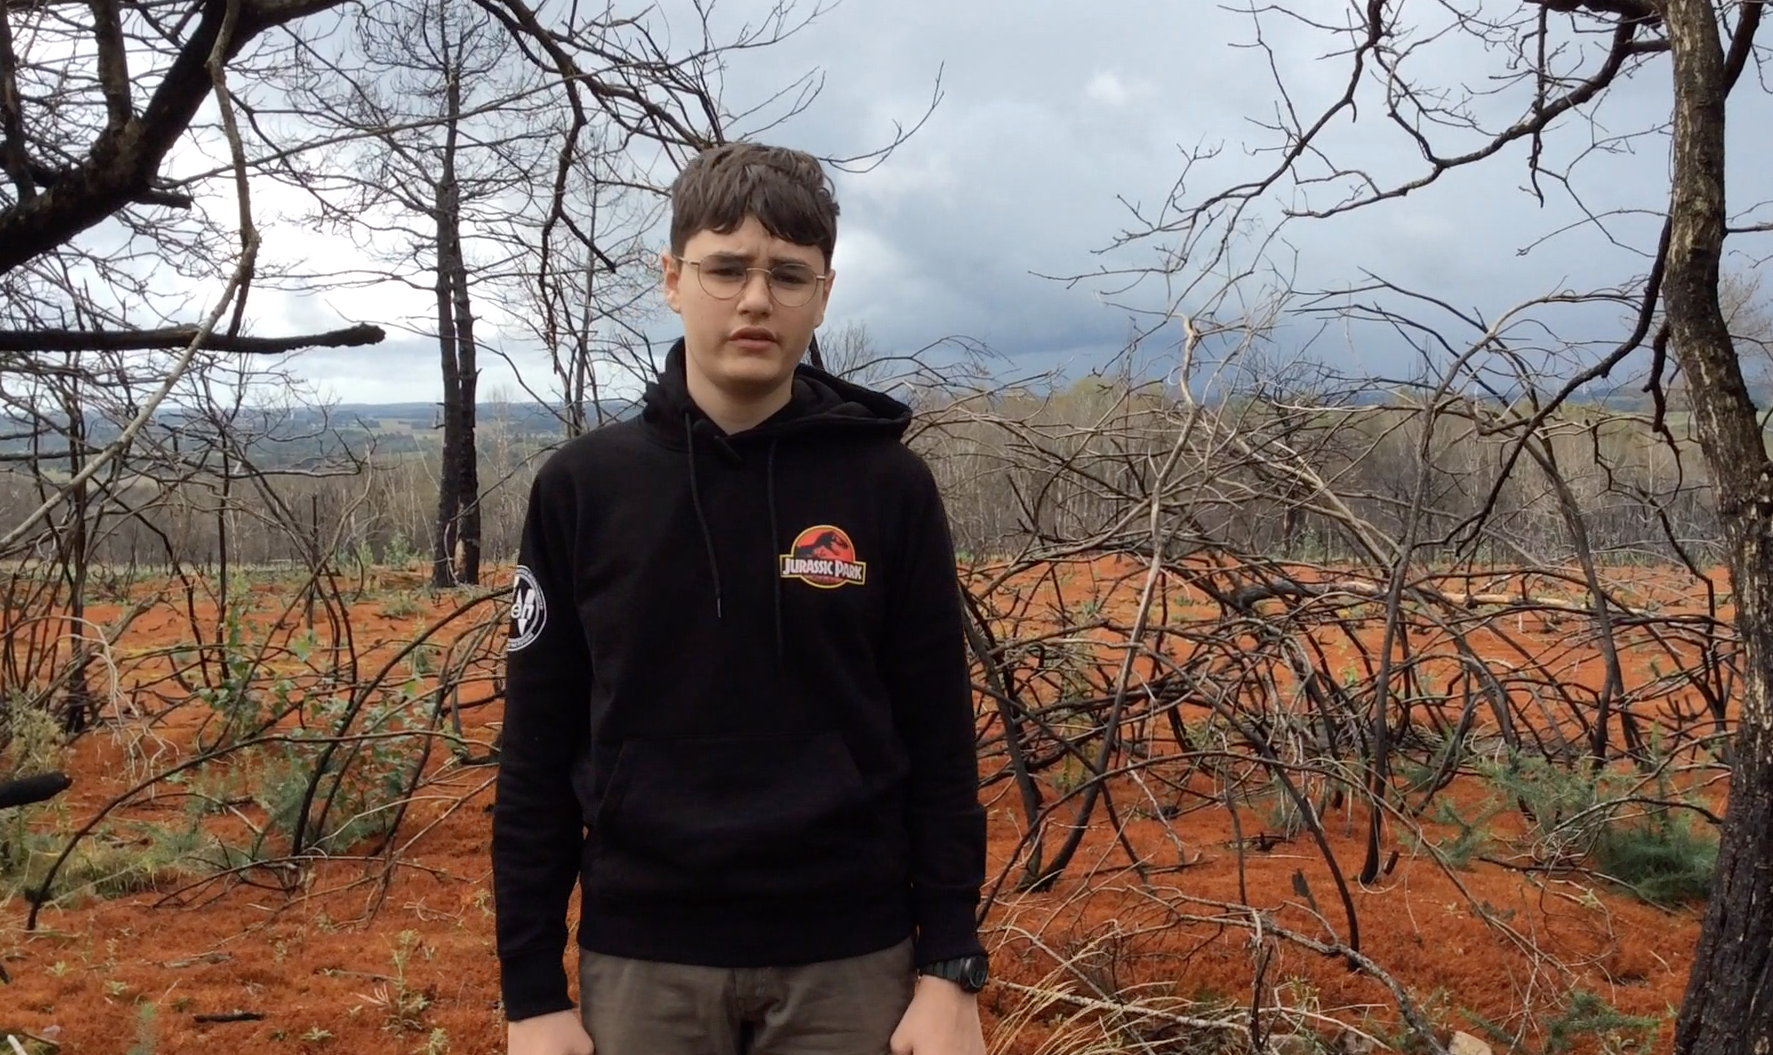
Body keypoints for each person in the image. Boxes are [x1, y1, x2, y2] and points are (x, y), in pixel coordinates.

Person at [493, 142, 990, 1055]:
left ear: (823, 294)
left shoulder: (888, 487)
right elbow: (535, 750)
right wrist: (530, 992)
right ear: (673, 279)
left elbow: (940, 737)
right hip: (643, 961)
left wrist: (950, 962)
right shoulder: (583, 489)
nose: (756, 299)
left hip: (851, 959)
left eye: (787, 275)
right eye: (726, 269)